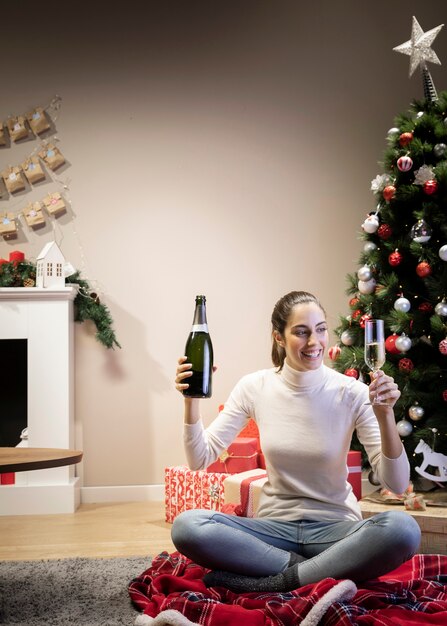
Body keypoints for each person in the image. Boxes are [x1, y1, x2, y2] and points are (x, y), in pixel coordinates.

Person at [172, 291, 421, 592]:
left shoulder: (352, 392)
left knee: (402, 529)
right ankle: (316, 570)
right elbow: (199, 459)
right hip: (272, 530)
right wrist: (191, 400)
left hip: (337, 530)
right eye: (301, 332)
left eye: (321, 329)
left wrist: (385, 416)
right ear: (279, 337)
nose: (314, 342)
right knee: (188, 526)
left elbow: (395, 483)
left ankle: (277, 579)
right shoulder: (255, 386)